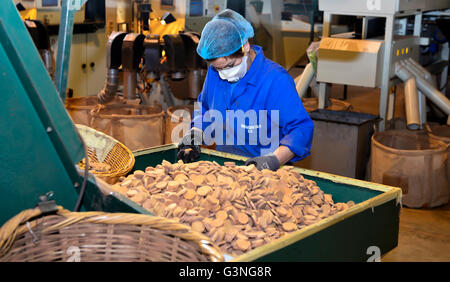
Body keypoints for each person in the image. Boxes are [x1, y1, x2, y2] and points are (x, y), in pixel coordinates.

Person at [177, 9, 313, 171]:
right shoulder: (215, 74)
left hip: (267, 170)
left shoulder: (275, 80)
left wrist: (273, 160)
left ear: (245, 46)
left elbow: (300, 129)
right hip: (226, 166)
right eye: (218, 68)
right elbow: (206, 109)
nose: (225, 75)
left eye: (229, 66)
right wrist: (195, 135)